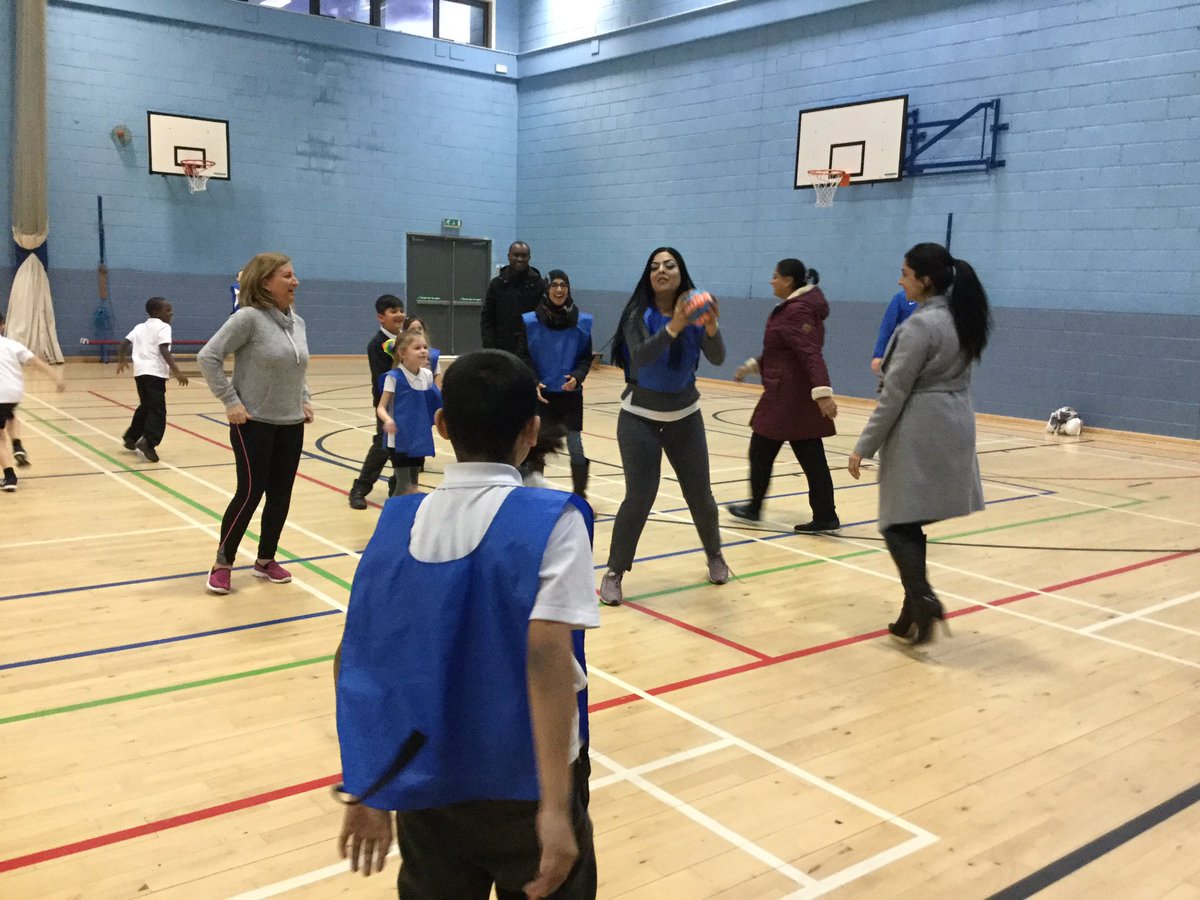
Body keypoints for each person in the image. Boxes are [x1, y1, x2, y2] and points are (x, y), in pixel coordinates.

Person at [335, 349, 598, 898]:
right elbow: (546, 660)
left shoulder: (397, 518)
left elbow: (355, 660)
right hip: (525, 786)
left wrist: (370, 785)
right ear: (532, 429)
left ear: (441, 424)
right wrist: (555, 808)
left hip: (427, 780)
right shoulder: (554, 519)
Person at [847, 242, 991, 645]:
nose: (899, 280)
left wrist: (864, 446)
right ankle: (912, 611)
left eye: (905, 273)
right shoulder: (963, 318)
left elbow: (894, 394)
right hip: (956, 422)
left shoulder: (919, 327)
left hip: (919, 429)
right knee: (908, 521)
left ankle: (923, 597)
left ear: (925, 281)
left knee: (895, 522)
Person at [599, 247, 730, 607]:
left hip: (685, 417)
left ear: (679, 272)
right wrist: (676, 325)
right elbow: (641, 356)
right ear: (648, 275)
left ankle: (715, 555)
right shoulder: (637, 314)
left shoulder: (698, 310)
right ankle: (614, 572)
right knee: (638, 498)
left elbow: (718, 358)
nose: (661, 271)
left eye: (669, 265)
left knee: (700, 496)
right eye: (655, 266)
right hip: (639, 417)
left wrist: (711, 326)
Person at [197, 253, 312, 596]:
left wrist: (304, 397)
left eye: (295, 275)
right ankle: (222, 563)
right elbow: (208, 356)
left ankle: (265, 561)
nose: (295, 282)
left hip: (291, 422)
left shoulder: (298, 323)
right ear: (265, 282)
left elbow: (297, 366)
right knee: (250, 492)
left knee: (280, 495)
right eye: (288, 276)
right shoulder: (248, 318)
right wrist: (231, 402)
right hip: (254, 423)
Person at [728, 259, 840, 532]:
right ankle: (824, 516)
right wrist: (753, 366)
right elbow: (782, 353)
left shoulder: (797, 311)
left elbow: (810, 353)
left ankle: (757, 508)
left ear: (789, 281)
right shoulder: (794, 309)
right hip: (788, 396)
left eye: (775, 276)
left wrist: (823, 394)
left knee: (765, 452)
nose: (771, 281)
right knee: (803, 458)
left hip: (789, 400)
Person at [521, 269, 593, 498]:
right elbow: (523, 355)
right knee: (537, 447)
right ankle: (534, 495)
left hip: (570, 397)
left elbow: (585, 357)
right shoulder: (531, 322)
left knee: (576, 447)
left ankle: (580, 495)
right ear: (547, 289)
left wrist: (577, 377)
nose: (559, 289)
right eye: (554, 285)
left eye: (563, 285)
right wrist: (533, 380)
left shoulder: (582, 322)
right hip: (542, 397)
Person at [348, 295, 406, 510]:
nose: (399, 314)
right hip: (387, 403)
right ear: (381, 318)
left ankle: (397, 487)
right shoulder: (377, 345)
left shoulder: (407, 340)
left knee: (405, 448)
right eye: (393, 311)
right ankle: (359, 489)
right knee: (382, 446)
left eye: (401, 310)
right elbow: (383, 378)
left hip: (408, 402)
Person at [115, 297, 189, 463]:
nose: (171, 313)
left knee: (146, 407)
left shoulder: (139, 327)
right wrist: (176, 371)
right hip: (155, 374)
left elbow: (123, 344)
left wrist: (122, 359)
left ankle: (131, 438)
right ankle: (149, 442)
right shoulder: (164, 327)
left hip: (140, 374)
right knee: (157, 411)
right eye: (167, 310)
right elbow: (163, 349)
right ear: (156, 312)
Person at [0, 312, 65, 491]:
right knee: (11, 415)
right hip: (14, 393)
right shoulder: (12, 345)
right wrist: (56, 378)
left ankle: (10, 477)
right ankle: (18, 445)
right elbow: (36, 362)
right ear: (3, 326)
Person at [376, 330, 442, 497]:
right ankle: (391, 517)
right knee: (404, 486)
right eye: (417, 347)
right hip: (399, 439)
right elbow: (381, 407)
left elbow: (431, 403)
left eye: (425, 347)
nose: (423, 351)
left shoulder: (427, 376)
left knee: (413, 486)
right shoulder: (394, 377)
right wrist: (388, 420)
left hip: (418, 438)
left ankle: (410, 518)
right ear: (402, 353)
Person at [481, 241, 545, 355]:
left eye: (524, 256)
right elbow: (487, 317)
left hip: (530, 348)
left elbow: (542, 318)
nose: (519, 259)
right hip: (501, 348)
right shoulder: (497, 284)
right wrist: (489, 346)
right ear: (509, 256)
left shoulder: (539, 285)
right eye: (516, 255)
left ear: (529, 258)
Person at [870, 288, 919, 374]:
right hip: (908, 352)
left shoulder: (942, 298)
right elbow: (887, 328)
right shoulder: (901, 298)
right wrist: (878, 355)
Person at [403, 316, 441, 384]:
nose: (417, 331)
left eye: (420, 328)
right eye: (412, 329)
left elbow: (437, 384)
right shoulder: (403, 356)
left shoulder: (433, 356)